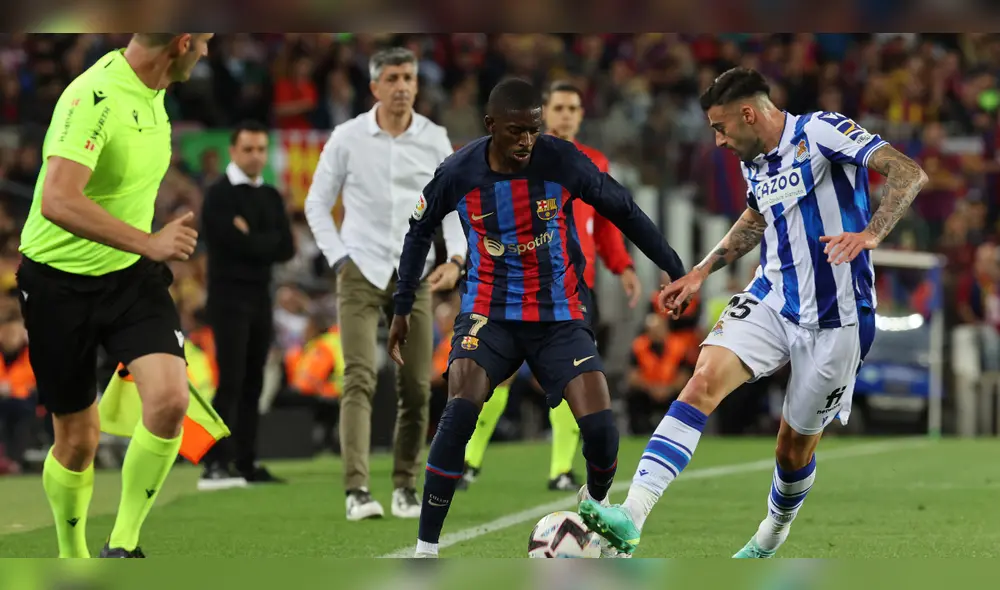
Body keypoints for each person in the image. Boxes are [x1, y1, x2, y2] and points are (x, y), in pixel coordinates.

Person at [578, 67, 928, 558]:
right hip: (771, 296)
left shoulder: (821, 131)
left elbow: (908, 171)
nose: (718, 141)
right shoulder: (754, 159)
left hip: (837, 317)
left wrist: (871, 234)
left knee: (792, 448)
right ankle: (632, 515)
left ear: (749, 113)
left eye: (721, 128)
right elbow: (758, 216)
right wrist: (701, 271)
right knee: (701, 381)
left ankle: (772, 533)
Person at [387, 77, 687, 558]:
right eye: (516, 131)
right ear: (491, 127)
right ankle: (426, 550)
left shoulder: (561, 159)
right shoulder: (458, 171)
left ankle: (595, 505)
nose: (527, 141)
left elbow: (623, 209)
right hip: (489, 311)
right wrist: (402, 307)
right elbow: (418, 231)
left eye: (533, 129)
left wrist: (675, 267)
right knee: (460, 408)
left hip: (558, 314)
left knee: (602, 432)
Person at [15, 33, 213, 558]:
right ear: (183, 42)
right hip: (57, 283)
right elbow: (58, 199)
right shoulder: (92, 98)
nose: (208, 55)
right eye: (205, 44)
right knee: (78, 442)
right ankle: (71, 553)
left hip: (129, 276)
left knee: (171, 401)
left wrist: (145, 244)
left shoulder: (157, 86)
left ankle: (123, 544)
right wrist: (149, 240)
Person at [304, 47, 467, 521]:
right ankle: (357, 490)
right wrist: (339, 259)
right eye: (392, 77)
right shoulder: (348, 137)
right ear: (374, 87)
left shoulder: (434, 138)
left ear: (417, 85)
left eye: (409, 78)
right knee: (358, 376)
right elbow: (317, 202)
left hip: (412, 274)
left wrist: (456, 258)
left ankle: (404, 485)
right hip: (360, 268)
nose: (402, 86)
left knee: (416, 384)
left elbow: (454, 205)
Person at [458, 81, 642, 493]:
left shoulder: (591, 161)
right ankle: (468, 460)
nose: (566, 114)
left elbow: (607, 220)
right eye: (558, 106)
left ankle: (561, 468)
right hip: (513, 281)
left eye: (573, 107)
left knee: (566, 378)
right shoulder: (518, 158)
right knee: (494, 375)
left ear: (580, 114)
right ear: (545, 112)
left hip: (574, 287)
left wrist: (623, 264)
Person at [199, 121, 295, 490]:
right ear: (233, 151)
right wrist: (262, 243)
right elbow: (228, 243)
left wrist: (250, 238)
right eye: (249, 149)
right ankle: (215, 461)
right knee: (231, 380)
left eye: (260, 149)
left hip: (259, 297)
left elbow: (285, 247)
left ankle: (245, 460)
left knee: (254, 380)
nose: (256, 155)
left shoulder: (270, 195)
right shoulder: (218, 195)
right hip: (228, 298)